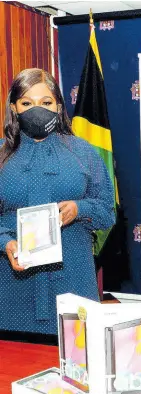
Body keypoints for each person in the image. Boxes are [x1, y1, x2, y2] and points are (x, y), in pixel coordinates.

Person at [0, 68, 115, 335]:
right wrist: (5, 242)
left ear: (59, 106)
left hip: (73, 277)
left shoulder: (83, 152)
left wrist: (79, 209)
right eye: (27, 103)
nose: (36, 110)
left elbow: (107, 210)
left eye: (46, 102)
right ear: (14, 108)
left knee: (77, 366)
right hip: (12, 285)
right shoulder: (1, 156)